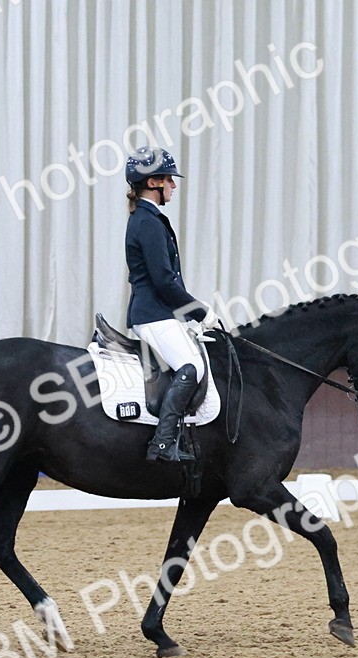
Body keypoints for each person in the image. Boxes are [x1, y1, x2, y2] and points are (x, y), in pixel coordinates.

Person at [124, 146, 221, 462]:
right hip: (152, 313)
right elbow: (164, 281)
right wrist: (200, 312)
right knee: (191, 368)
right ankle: (163, 443)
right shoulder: (148, 222)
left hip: (158, 312)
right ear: (153, 183)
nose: (174, 186)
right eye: (169, 180)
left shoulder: (148, 218)